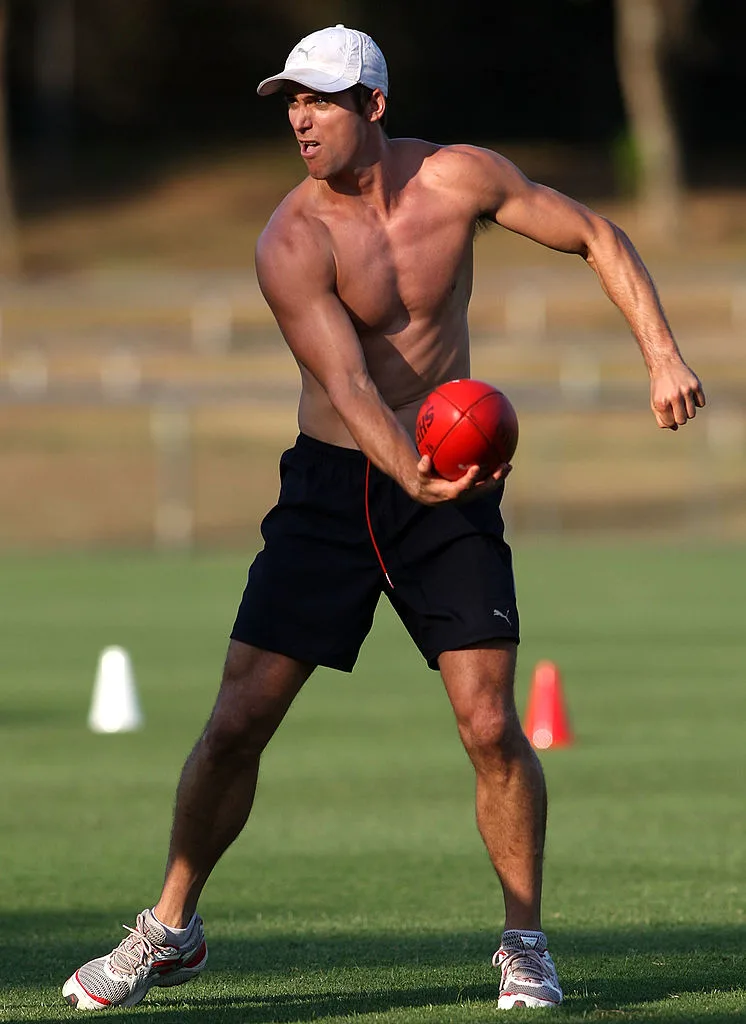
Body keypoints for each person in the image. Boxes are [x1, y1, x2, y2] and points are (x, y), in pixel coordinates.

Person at [62, 24, 705, 1013]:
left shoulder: (459, 181)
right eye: (290, 99)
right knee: (238, 718)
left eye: (318, 100)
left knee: (491, 722)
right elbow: (348, 382)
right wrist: (404, 467)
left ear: (373, 105)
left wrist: (659, 353)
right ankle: (168, 928)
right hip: (332, 489)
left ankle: (522, 943)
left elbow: (593, 235)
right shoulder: (289, 238)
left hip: (448, 490)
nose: (298, 117)